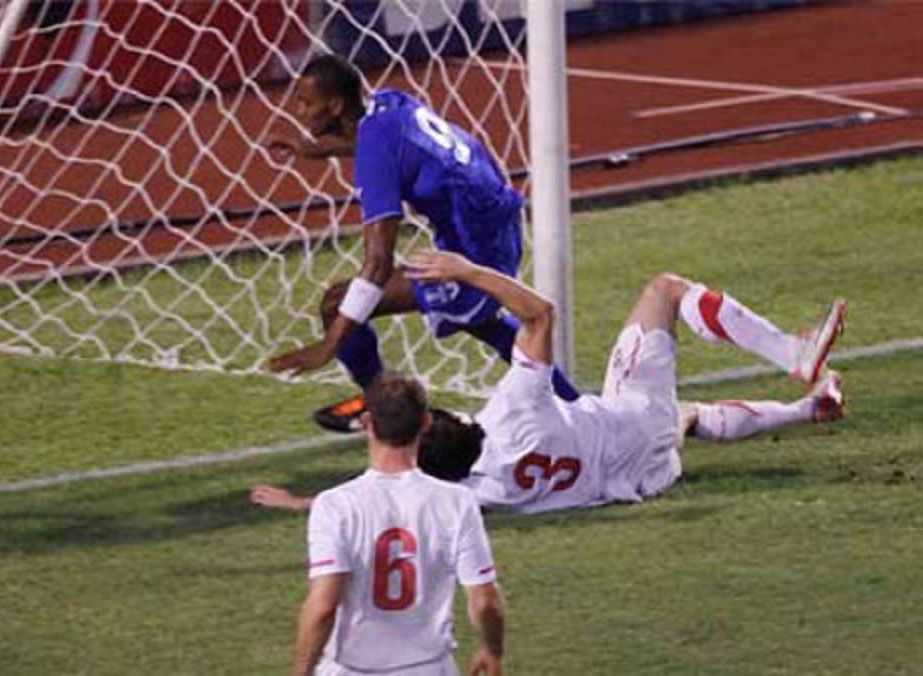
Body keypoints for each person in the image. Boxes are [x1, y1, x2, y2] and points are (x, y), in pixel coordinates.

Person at [255, 249, 846, 516]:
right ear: (437, 423)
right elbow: (541, 313)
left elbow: (381, 497)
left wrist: (301, 503)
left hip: (638, 480)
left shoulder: (469, 496)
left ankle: (807, 408)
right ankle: (794, 353)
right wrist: (468, 271)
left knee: (685, 416)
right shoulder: (514, 409)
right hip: (631, 421)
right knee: (664, 290)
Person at [266, 54, 579, 434]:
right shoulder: (389, 102)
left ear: (334, 106)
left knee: (338, 305)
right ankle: (579, 408)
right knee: (483, 322)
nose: (299, 111)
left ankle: (381, 406)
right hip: (487, 211)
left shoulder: (374, 157)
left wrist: (327, 346)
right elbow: (385, 144)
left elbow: (378, 263)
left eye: (306, 102)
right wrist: (315, 150)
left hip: (477, 240)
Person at [291, 372, 505, 675]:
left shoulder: (335, 505)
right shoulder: (457, 502)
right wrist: (492, 649)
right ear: (425, 424)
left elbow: (323, 607)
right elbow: (484, 601)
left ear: (366, 423)